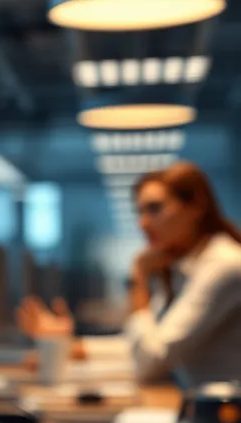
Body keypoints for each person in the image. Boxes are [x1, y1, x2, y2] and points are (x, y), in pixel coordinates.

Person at [18, 161, 241, 385]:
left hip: (225, 415)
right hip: (204, 409)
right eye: (140, 211)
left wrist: (138, 279)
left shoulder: (223, 266)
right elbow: (142, 344)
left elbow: (149, 360)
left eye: (154, 208)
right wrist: (67, 348)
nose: (142, 223)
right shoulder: (185, 266)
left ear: (195, 207)